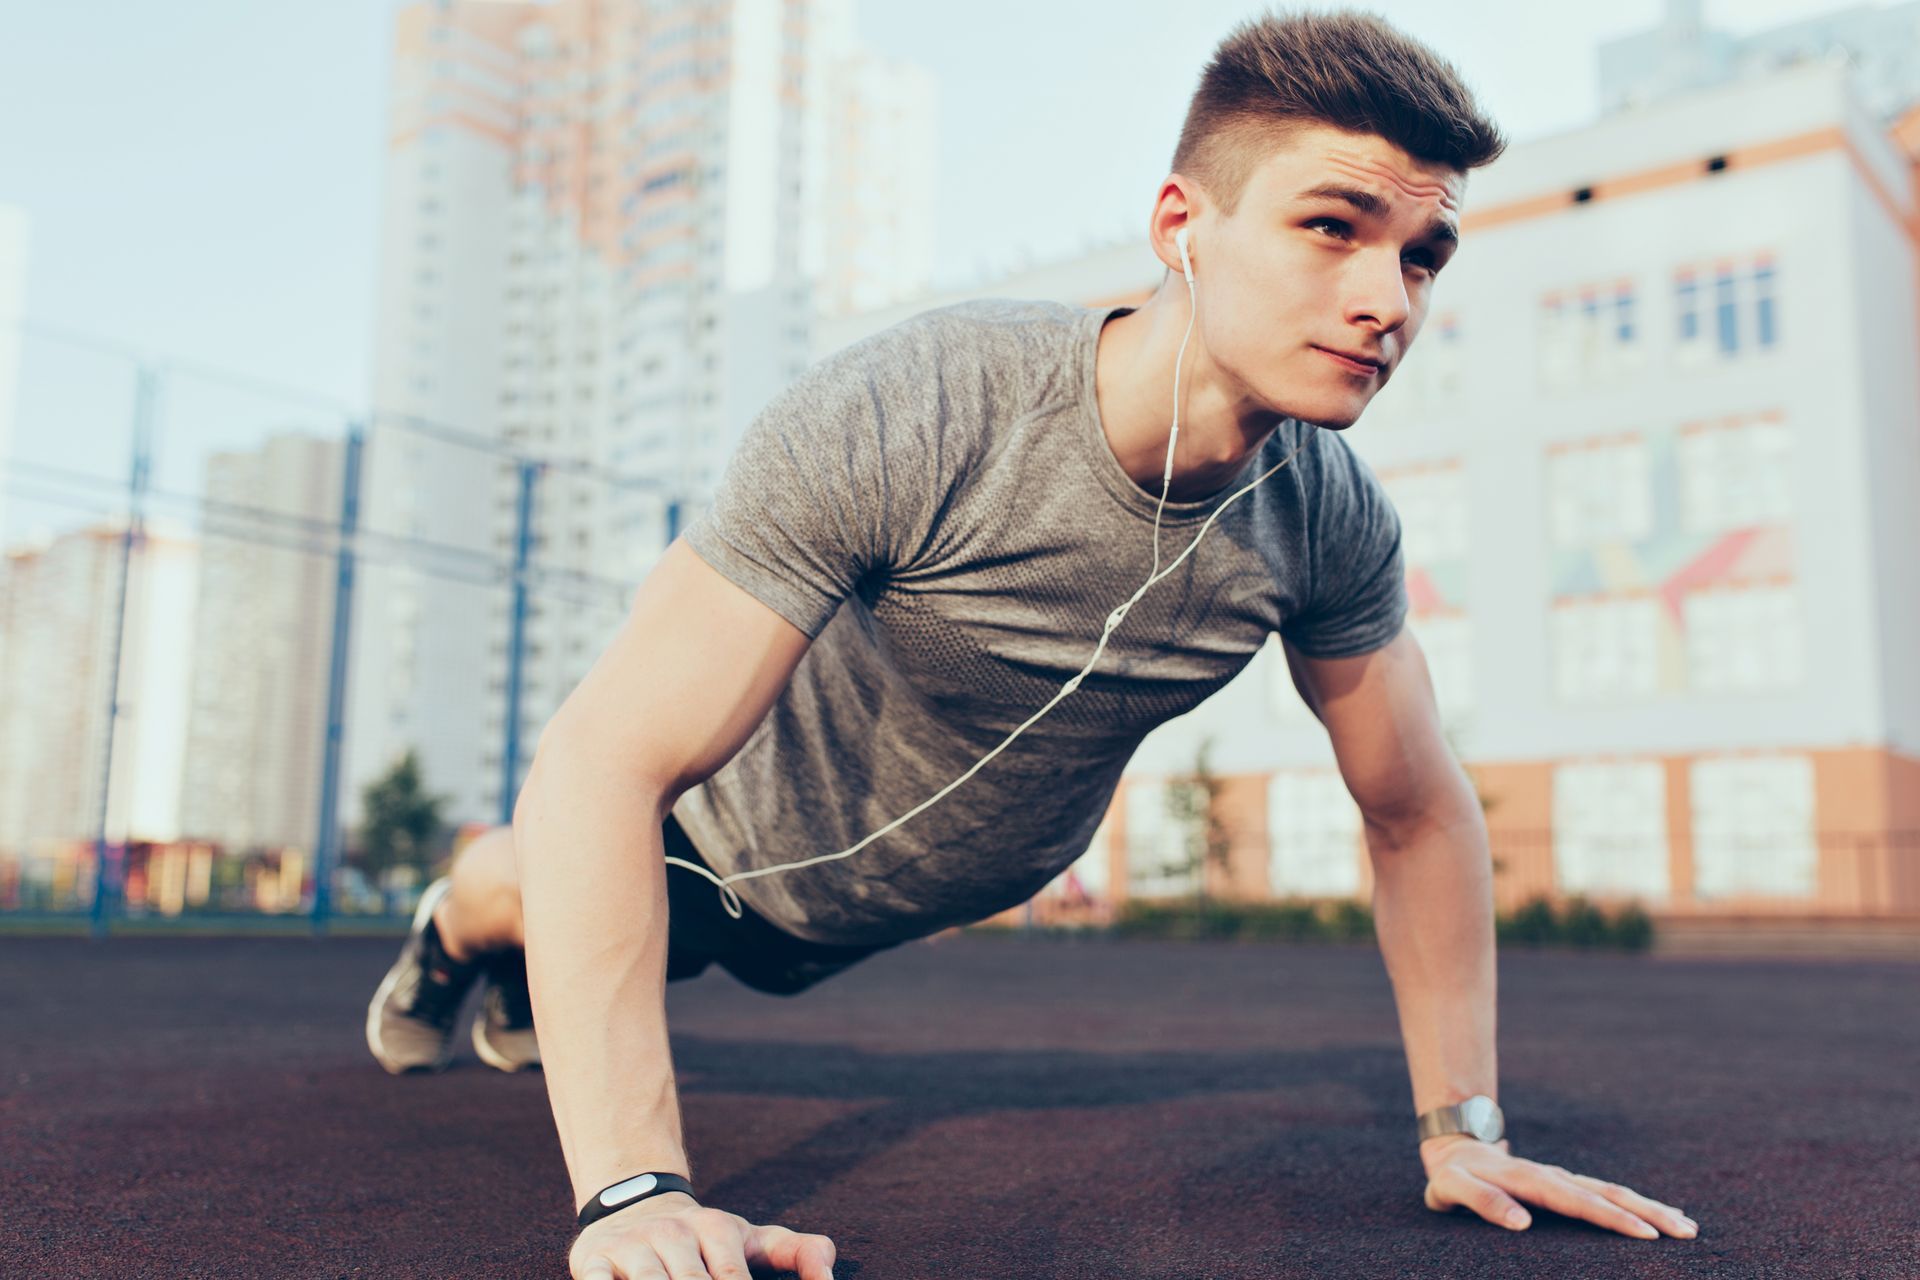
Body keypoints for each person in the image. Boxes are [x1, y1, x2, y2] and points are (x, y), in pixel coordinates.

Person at [366, 11, 1701, 1278]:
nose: (1386, 299)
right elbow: (602, 760)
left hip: (931, 892)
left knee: (597, 951)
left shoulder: (1330, 522)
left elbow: (1417, 812)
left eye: (1420, 255)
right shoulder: (918, 410)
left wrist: (1465, 1131)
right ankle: (450, 935)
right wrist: (636, 1189)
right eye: (1331, 229)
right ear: (1184, 224)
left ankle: (541, 981)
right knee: (527, 890)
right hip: (718, 851)